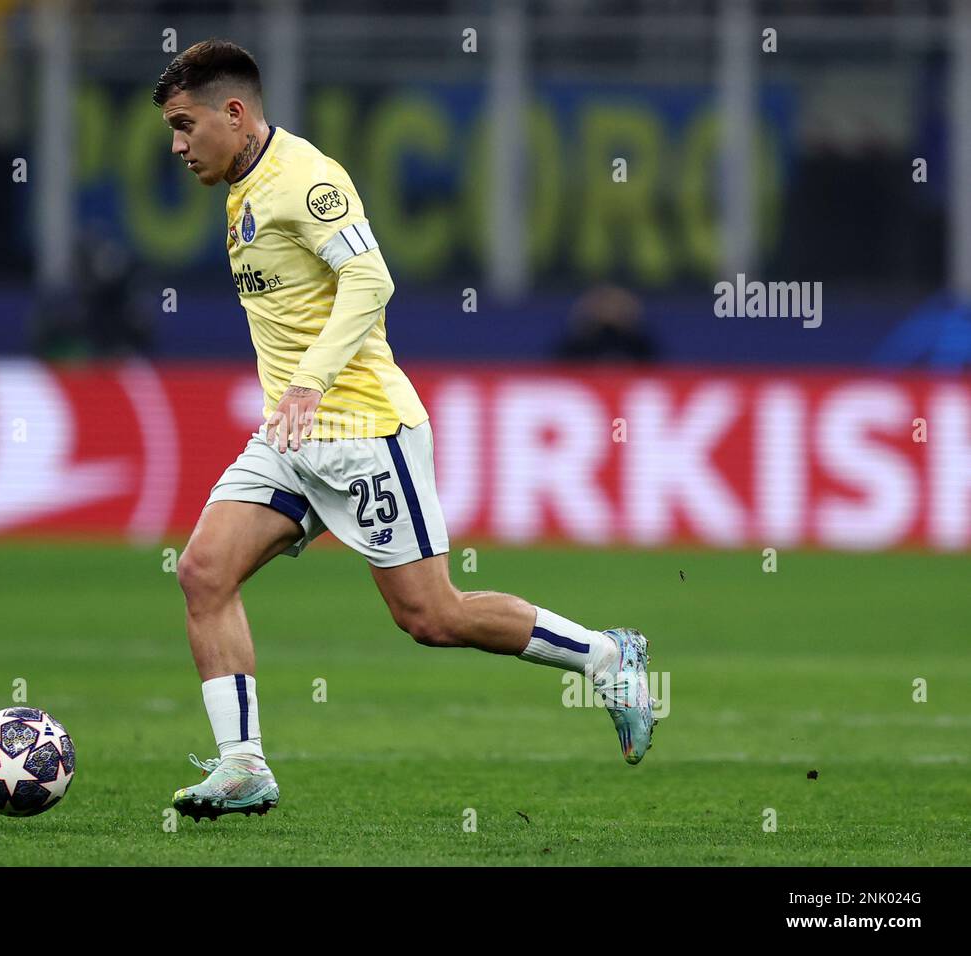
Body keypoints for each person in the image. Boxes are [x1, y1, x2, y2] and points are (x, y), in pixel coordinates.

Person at [153, 40, 657, 821]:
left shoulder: (306, 180)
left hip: (360, 427)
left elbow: (370, 278)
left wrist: (312, 382)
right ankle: (243, 765)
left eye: (185, 126)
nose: (178, 146)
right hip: (291, 438)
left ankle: (605, 656)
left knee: (431, 617)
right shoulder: (241, 183)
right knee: (202, 574)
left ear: (235, 112)